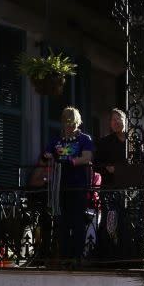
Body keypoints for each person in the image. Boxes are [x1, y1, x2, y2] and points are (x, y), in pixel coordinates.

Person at [42, 107, 95, 260]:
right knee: (63, 221)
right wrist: (49, 155)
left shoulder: (84, 139)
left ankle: (77, 256)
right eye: (67, 122)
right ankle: (64, 255)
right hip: (60, 186)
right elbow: (46, 155)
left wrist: (71, 161)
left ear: (77, 123)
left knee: (78, 221)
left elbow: (86, 157)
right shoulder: (56, 140)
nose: (70, 126)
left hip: (78, 186)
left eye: (73, 123)